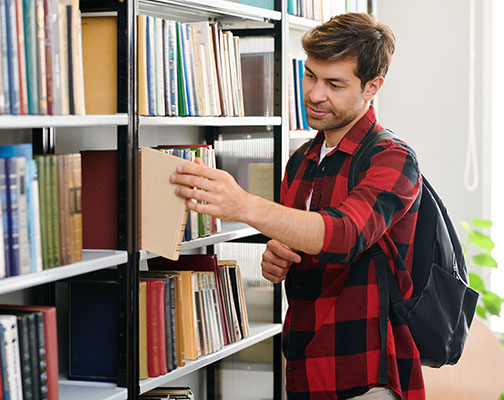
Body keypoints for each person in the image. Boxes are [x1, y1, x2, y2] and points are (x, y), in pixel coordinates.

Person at [170, 12, 424, 400]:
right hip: (304, 369)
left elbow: (345, 235)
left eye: (334, 84)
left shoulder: (392, 158)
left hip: (364, 378)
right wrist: (280, 253)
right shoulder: (302, 159)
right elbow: (309, 239)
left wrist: (246, 206)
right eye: (310, 76)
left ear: (372, 86)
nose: (315, 94)